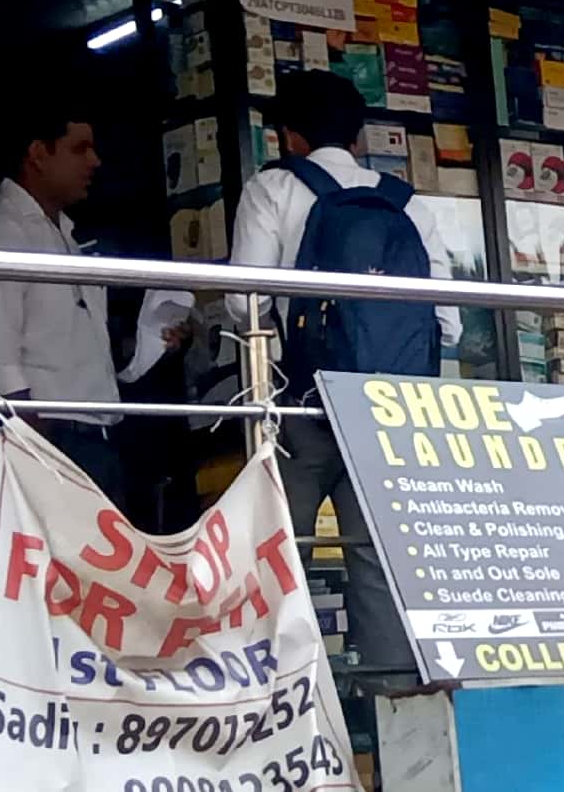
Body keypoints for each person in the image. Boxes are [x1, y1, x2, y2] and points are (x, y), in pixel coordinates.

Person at [229, 70, 459, 680]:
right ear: (359, 137)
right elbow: (448, 321)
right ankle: (392, 692)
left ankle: (277, 689)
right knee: (378, 555)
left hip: (302, 404)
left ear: (289, 135)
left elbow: (244, 301)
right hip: (388, 410)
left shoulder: (273, 187)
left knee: (281, 553)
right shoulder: (405, 202)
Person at [0, 106, 130, 498]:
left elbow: (75, 347)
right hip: (50, 441)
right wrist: (39, 453)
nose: (95, 161)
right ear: (38, 153)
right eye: (80, 149)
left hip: (96, 439)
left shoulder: (65, 233)